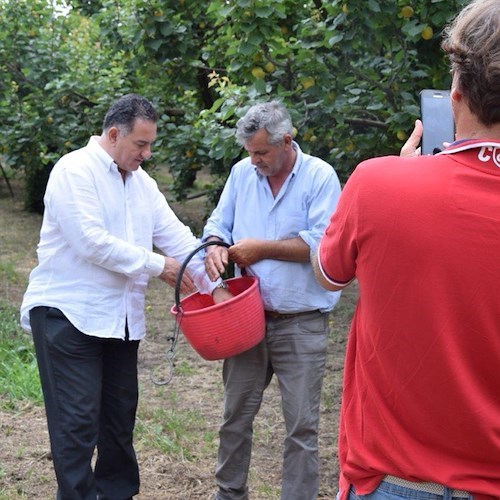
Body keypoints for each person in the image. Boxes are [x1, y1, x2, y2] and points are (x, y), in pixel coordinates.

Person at [313, 1, 500, 498]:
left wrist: (404, 174)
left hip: (395, 481)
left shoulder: (379, 184)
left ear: (455, 93)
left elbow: (328, 274)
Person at [20, 93, 221, 500]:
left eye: (150, 145)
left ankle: (117, 495)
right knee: (76, 424)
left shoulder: (142, 183)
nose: (147, 154)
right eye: (141, 145)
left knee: (117, 423)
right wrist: (156, 265)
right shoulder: (74, 171)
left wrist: (215, 287)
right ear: (114, 134)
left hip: (120, 322)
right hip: (68, 315)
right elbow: (91, 242)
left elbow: (176, 237)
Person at [202, 100, 342, 500]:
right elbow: (217, 223)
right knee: (235, 417)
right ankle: (229, 495)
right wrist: (214, 245)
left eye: (262, 152)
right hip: (246, 319)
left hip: (301, 321)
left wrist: (261, 249)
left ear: (287, 140)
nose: (255, 160)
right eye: (250, 153)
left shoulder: (319, 176)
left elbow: (321, 244)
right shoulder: (242, 174)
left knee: (301, 426)